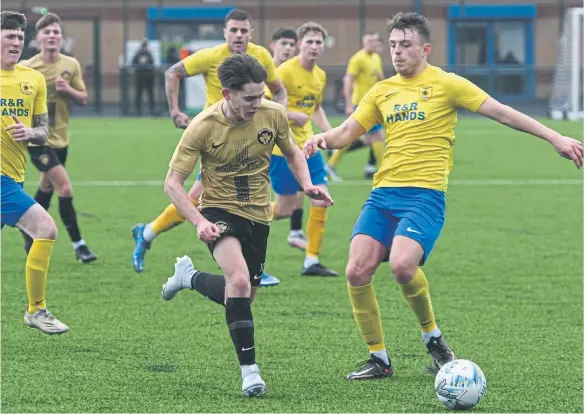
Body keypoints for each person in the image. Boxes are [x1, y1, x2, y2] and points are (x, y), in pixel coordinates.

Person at [303, 12, 583, 380]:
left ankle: (433, 339)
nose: (398, 52)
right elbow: (347, 132)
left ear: (425, 48)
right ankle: (379, 359)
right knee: (356, 271)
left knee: (403, 266)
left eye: (406, 45)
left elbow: (502, 112)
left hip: (425, 196)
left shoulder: (447, 84)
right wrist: (323, 139)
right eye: (393, 45)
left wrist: (555, 137)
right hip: (383, 194)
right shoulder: (382, 90)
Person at [160, 54, 333, 396]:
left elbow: (294, 152)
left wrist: (307, 183)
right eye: (249, 98)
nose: (258, 103)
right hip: (217, 209)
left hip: (258, 214)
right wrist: (197, 221)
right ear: (227, 94)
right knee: (238, 281)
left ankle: (189, 278)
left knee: (243, 295)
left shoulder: (273, 114)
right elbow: (172, 184)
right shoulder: (203, 126)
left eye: (261, 95)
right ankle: (250, 373)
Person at [132, 9, 287, 287]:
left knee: (238, 199)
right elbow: (173, 72)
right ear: (225, 32)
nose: (239, 35)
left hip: (251, 138)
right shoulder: (211, 56)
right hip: (217, 145)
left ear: (251, 33)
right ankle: (150, 235)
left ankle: (149, 233)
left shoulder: (261, 56)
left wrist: (278, 117)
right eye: (234, 30)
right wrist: (175, 111)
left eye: (244, 30)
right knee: (202, 199)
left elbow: (279, 89)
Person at [1, 11, 69, 334]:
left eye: (19, 37)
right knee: (46, 227)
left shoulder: (34, 79)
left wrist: (30, 133)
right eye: (9, 36)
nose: (15, 42)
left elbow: (44, 131)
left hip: (14, 175)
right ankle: (37, 309)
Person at [20, 12, 96, 263]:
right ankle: (79, 244)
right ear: (38, 38)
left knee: (46, 187)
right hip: (37, 140)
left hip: (62, 139)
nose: (52, 36)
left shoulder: (70, 65)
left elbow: (84, 99)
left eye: (56, 32)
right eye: (47, 32)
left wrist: (69, 90)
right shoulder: (28, 68)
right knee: (64, 186)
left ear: (61, 38)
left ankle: (26, 227)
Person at [270, 22, 338, 277]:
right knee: (284, 210)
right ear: (300, 44)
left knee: (321, 198)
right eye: (309, 41)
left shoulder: (319, 75)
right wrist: (289, 114)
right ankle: (242, 215)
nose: (314, 46)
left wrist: (330, 134)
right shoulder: (285, 72)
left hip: (308, 147)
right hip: (283, 151)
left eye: (318, 42)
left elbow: (316, 108)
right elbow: (264, 104)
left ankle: (311, 260)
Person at [327, 31, 385, 182]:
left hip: (373, 103)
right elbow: (348, 80)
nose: (371, 44)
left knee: (364, 138)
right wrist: (348, 104)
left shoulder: (376, 58)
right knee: (376, 136)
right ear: (363, 43)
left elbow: (380, 79)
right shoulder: (358, 58)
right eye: (368, 41)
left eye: (373, 41)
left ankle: (332, 164)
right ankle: (384, 171)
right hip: (361, 103)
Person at [132, 38, 155, 115]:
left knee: (150, 93)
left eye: (145, 46)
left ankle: (152, 110)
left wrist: (147, 61)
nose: (144, 48)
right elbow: (133, 64)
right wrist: (140, 62)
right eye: (143, 46)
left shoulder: (149, 54)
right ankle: (137, 110)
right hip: (140, 77)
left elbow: (152, 63)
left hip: (149, 77)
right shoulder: (137, 54)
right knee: (138, 93)